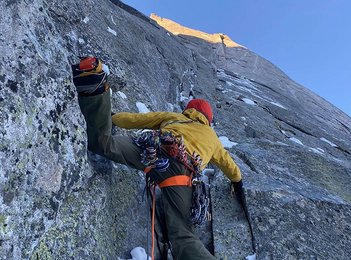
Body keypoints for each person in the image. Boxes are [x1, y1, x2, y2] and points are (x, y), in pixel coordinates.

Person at [72, 57, 245, 260]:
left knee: (104, 143)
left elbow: (136, 120)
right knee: (183, 238)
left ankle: (95, 88)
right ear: (208, 119)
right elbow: (230, 166)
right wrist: (238, 184)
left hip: (152, 154)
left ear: (189, 110)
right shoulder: (212, 138)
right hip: (181, 176)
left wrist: (111, 117)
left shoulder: (173, 117)